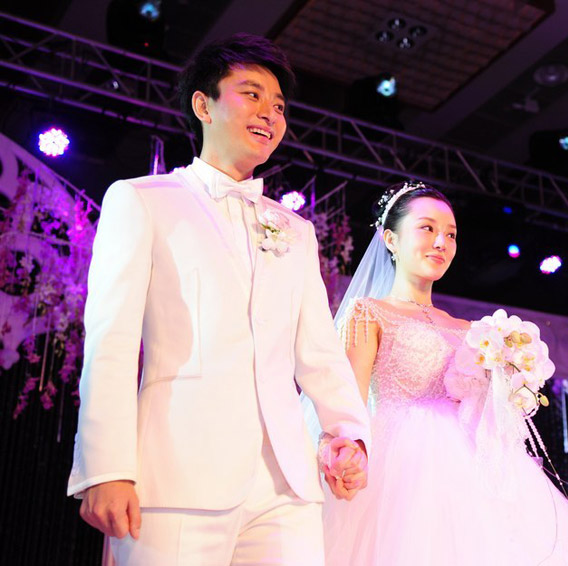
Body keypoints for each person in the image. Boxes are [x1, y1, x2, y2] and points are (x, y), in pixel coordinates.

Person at [67, 33, 370, 565]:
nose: (270, 113)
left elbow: (319, 352)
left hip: (286, 487)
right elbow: (111, 341)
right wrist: (106, 467)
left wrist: (349, 433)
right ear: (203, 105)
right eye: (252, 94)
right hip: (178, 473)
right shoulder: (142, 200)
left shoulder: (295, 231)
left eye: (279, 105)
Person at [319, 181, 568, 565]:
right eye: (427, 228)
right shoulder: (368, 313)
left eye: (451, 234)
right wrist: (344, 451)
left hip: (473, 467)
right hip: (401, 468)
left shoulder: (471, 331)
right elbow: (347, 403)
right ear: (391, 239)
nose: (441, 242)